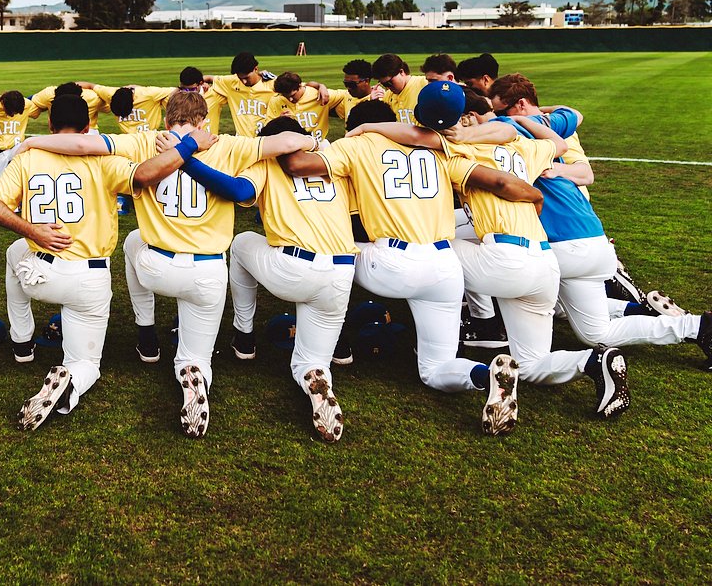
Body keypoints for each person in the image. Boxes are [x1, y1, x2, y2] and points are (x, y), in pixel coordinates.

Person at [18, 91, 312, 437]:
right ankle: (195, 376)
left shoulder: (146, 140)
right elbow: (290, 140)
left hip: (157, 266)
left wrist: (34, 140)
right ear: (203, 120)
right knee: (197, 355)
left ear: (166, 119)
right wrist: (315, 144)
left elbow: (84, 146)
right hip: (208, 270)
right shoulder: (228, 144)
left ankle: (146, 335)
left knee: (131, 243)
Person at [347, 87, 631, 419]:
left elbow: (417, 135)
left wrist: (368, 128)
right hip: (543, 262)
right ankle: (593, 361)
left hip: (502, 260)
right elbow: (560, 145)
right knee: (532, 364)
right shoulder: (524, 146)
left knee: (431, 247)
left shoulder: (462, 148)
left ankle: (480, 323)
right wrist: (524, 120)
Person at [278, 86, 545, 436]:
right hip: (443, 266)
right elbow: (499, 180)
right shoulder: (439, 146)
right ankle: (483, 375)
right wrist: (535, 196)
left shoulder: (359, 144)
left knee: (329, 262)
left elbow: (299, 165)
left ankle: (331, 345)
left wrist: (285, 141)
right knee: (436, 369)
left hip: (391, 262)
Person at [0, 94, 212, 431]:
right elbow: (144, 175)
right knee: (86, 363)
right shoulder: (105, 160)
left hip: (38, 272)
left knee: (12, 253)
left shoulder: (27, 158)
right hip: (88, 279)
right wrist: (185, 148)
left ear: (51, 126)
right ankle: (72, 378)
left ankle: (22, 342)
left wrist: (31, 228)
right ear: (88, 127)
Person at [486, 74, 711, 367]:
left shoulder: (507, 128)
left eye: (501, 110)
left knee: (515, 281)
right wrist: (537, 116)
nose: (498, 116)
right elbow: (574, 113)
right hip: (592, 238)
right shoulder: (545, 124)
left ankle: (489, 330)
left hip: (563, 244)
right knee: (595, 331)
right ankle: (696, 326)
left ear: (520, 105)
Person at [216, 117, 358, 442]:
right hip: (341, 271)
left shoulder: (266, 161)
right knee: (310, 360)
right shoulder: (330, 156)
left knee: (240, 244)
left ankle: (244, 336)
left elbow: (239, 191)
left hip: (291, 267)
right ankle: (318, 378)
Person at [203, 52, 291, 136]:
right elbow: (210, 78)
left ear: (256, 69)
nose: (244, 81)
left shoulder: (272, 85)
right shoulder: (232, 82)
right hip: (243, 143)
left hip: (266, 140)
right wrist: (201, 83)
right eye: (240, 78)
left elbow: (297, 88)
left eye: (247, 77)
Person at [266, 72, 347, 140]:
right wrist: (279, 121)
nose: (290, 99)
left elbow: (348, 94)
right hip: (291, 146)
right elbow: (268, 129)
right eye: (286, 96)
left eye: (293, 95)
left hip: (317, 144)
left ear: (300, 86)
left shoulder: (317, 95)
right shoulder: (276, 100)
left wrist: (321, 86)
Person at [80, 82, 173, 133]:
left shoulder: (148, 94)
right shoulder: (110, 93)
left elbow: (177, 90)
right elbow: (90, 85)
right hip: (129, 138)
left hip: (150, 137)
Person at [370, 53, 430, 125]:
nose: (387, 87)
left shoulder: (425, 84)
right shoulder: (388, 96)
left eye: (389, 83)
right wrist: (374, 104)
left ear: (401, 72)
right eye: (384, 84)